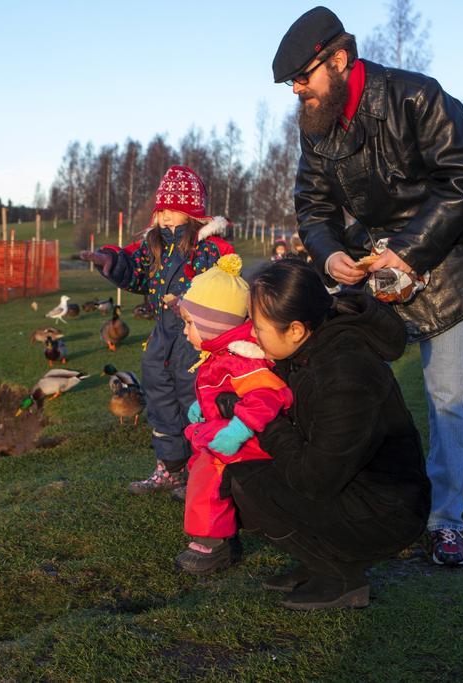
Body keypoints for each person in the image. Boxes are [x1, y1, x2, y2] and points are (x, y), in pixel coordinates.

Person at [272, 6, 463, 566]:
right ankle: (365, 496)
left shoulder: (418, 97)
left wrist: (407, 253)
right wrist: (330, 254)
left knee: (450, 398)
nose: (298, 91)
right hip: (370, 273)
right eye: (292, 84)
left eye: (303, 77)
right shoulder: (316, 123)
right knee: (341, 374)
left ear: (339, 58)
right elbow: (312, 205)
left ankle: (446, 521)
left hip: (449, 267)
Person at [226, 259, 431, 610]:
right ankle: (317, 562)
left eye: (258, 327)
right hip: (355, 486)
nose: (251, 334)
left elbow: (314, 479)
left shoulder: (345, 375)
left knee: (251, 485)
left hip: (387, 510)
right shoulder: (311, 347)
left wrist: (262, 418)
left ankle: (339, 576)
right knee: (237, 474)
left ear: (295, 329)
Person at [80, 165, 233, 494]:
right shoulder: (153, 247)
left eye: (173, 211)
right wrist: (110, 260)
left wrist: (191, 303)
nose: (164, 218)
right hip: (161, 338)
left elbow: (226, 290)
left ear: (192, 214)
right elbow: (132, 268)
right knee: (161, 403)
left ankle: (200, 471)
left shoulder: (212, 250)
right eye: (161, 210)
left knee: (195, 403)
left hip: (196, 342)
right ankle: (169, 468)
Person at [175, 253, 293, 574]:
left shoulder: (241, 358)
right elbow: (223, 392)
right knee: (200, 465)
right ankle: (216, 529)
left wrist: (236, 432)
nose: (186, 332)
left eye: (190, 324)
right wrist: (204, 408)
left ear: (213, 325)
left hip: (248, 441)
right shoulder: (220, 353)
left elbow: (266, 396)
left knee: (210, 475)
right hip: (225, 430)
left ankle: (213, 544)